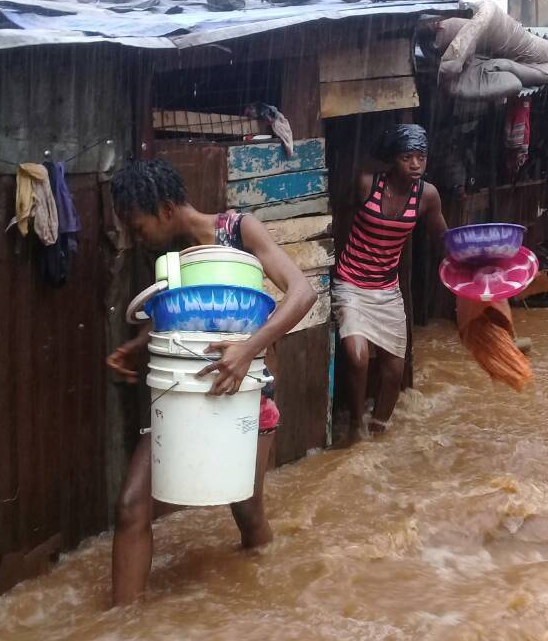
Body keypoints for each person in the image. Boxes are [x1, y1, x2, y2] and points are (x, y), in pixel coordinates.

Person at [106, 159, 315, 606]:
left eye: (138, 227)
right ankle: (118, 633)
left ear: (164, 210)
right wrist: (139, 344)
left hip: (244, 394)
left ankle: (269, 607)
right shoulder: (166, 256)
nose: (135, 238)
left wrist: (248, 348)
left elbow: (302, 293)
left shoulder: (239, 231)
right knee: (130, 507)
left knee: (246, 509)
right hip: (181, 393)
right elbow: (184, 318)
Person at [332, 123, 447, 442]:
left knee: (395, 370)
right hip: (351, 282)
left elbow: (442, 240)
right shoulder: (366, 184)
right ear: (391, 160)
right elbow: (337, 222)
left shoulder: (427, 196)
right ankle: (356, 426)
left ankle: (379, 430)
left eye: (420, 158)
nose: (415, 165)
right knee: (356, 357)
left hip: (387, 289)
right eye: (407, 157)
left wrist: (473, 263)